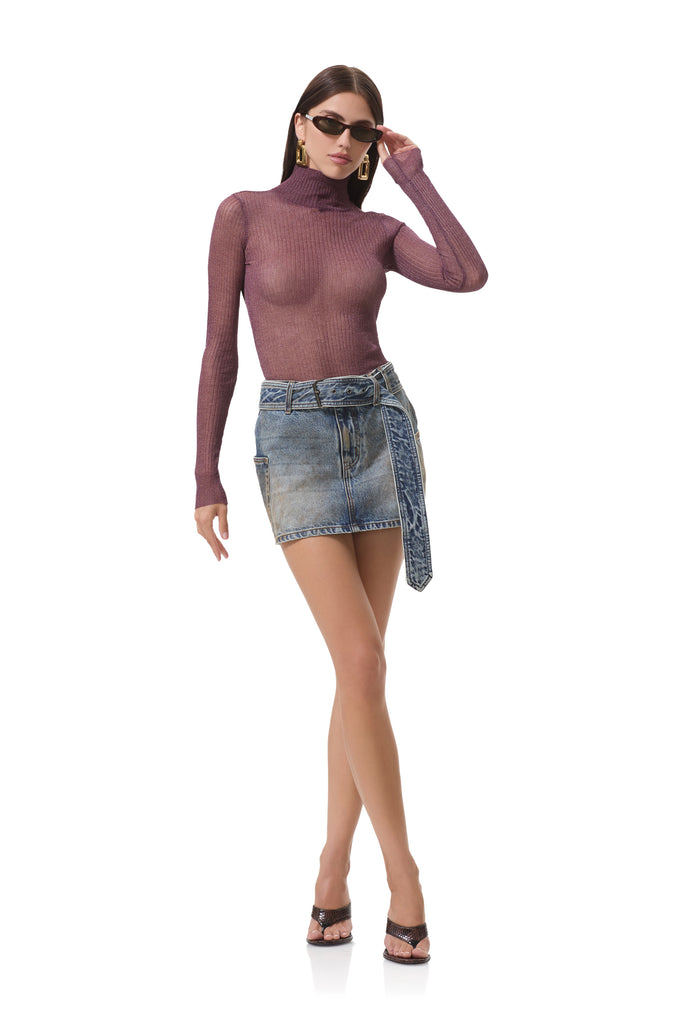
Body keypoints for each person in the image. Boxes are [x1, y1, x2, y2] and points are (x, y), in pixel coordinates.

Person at [194, 65, 487, 964]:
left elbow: (467, 275)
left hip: (381, 433)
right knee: (359, 660)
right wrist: (204, 474)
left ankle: (330, 872)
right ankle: (405, 878)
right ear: (297, 125)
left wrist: (413, 175)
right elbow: (218, 347)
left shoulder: (376, 228)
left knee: (360, 671)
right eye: (329, 123)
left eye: (361, 131)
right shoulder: (243, 213)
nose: (343, 141)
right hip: (293, 443)